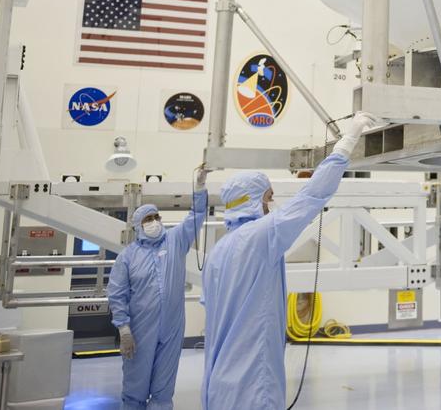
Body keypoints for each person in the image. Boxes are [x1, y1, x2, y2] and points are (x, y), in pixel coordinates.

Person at [200, 111, 375, 410]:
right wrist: (348, 141)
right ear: (255, 199)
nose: (272, 203)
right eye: (269, 197)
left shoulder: (218, 252)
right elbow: (313, 195)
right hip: (252, 385)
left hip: (218, 387)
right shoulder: (261, 236)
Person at [107, 165, 209, 410]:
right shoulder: (128, 257)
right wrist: (124, 330)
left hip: (172, 328)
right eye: (148, 219)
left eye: (156, 217)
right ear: (137, 226)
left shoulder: (175, 241)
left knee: (164, 389)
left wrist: (199, 186)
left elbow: (196, 215)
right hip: (140, 331)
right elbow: (117, 294)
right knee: (135, 387)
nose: (153, 222)